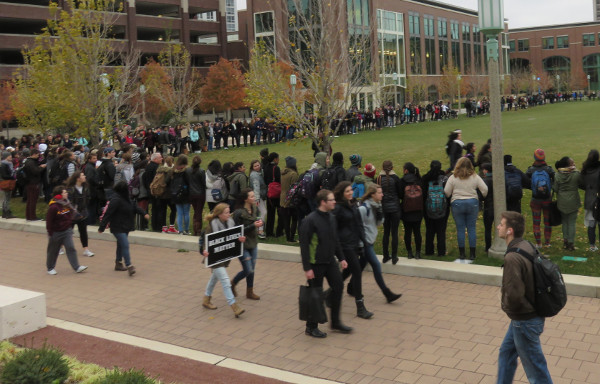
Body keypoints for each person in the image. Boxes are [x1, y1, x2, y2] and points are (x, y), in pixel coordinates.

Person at [496, 211, 553, 384]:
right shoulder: (526, 245)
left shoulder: (512, 257)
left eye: (501, 224)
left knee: (536, 371)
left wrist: (506, 306)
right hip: (528, 315)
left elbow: (514, 295)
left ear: (509, 231)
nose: (498, 226)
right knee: (506, 353)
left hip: (524, 320)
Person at [300, 189, 352, 338]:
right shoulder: (310, 220)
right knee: (315, 294)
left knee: (338, 286)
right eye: (331, 200)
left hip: (330, 262)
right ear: (323, 202)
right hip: (315, 264)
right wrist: (307, 268)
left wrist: (342, 258)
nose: (334, 201)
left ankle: (335, 322)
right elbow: (304, 246)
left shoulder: (331, 217)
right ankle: (311, 327)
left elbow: (335, 240)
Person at [333, 181, 373, 319]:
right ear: (341, 193)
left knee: (348, 271)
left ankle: (327, 294)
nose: (350, 193)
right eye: (347, 191)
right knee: (356, 271)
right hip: (345, 245)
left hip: (355, 243)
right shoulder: (338, 208)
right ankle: (360, 307)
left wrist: (365, 241)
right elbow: (334, 230)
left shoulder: (353, 204)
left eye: (351, 190)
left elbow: (359, 224)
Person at [358, 184, 402, 303]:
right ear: (372, 194)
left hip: (370, 241)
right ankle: (387, 293)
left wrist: (380, 213)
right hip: (365, 243)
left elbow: (378, 224)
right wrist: (360, 244)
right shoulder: (363, 208)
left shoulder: (377, 206)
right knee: (376, 265)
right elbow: (357, 227)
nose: (382, 194)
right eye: (379, 193)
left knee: (357, 267)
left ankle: (348, 288)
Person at [201, 203, 245, 318]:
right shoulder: (211, 226)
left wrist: (240, 239)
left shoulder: (230, 223)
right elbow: (204, 241)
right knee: (225, 281)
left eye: (229, 211)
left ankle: (206, 299)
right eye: (226, 212)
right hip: (214, 258)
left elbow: (234, 238)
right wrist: (204, 250)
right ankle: (234, 306)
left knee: (214, 279)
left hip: (224, 258)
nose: (229, 214)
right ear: (219, 214)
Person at [98, 181, 149, 276]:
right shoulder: (115, 200)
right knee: (125, 244)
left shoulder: (127, 199)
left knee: (121, 245)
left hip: (126, 226)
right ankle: (129, 265)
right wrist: (102, 226)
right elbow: (108, 214)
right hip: (117, 227)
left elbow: (135, 208)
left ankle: (118, 263)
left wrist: (144, 213)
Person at [444, 157, 488, 260]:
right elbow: (485, 189)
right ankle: (472, 254)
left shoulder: (453, 177)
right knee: (472, 228)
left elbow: (446, 192)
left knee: (460, 229)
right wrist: (481, 197)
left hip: (457, 203)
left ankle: (462, 254)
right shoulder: (475, 177)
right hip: (472, 203)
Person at [45, 186, 88, 275]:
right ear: (59, 195)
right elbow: (49, 221)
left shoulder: (67, 204)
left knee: (71, 248)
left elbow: (69, 215)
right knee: (53, 251)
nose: (67, 193)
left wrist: (69, 225)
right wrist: (50, 233)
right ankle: (50, 268)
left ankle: (76, 267)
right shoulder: (54, 207)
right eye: (64, 192)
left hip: (66, 231)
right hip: (56, 232)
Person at [231, 188, 264, 300]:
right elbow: (236, 231)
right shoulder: (239, 213)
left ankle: (250, 292)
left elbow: (258, 219)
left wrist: (260, 224)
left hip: (253, 243)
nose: (254, 198)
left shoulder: (255, 208)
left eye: (253, 196)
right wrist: (254, 226)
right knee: (248, 269)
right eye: (251, 196)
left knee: (252, 269)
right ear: (245, 199)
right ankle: (233, 283)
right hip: (243, 245)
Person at [525, 149, 555, 248]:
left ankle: (538, 243)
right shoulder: (549, 169)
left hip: (535, 200)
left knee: (536, 222)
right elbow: (555, 181)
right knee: (547, 221)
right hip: (547, 199)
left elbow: (525, 182)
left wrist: (534, 188)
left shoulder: (530, 170)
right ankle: (547, 242)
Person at [377, 160, 403, 264]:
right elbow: (401, 194)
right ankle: (394, 256)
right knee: (394, 232)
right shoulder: (396, 178)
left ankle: (385, 255)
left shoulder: (378, 179)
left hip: (384, 208)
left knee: (386, 232)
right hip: (395, 208)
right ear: (392, 167)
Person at [421, 160, 448, 257]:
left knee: (429, 230)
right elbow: (448, 194)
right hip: (443, 208)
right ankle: (441, 251)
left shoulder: (425, 178)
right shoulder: (445, 179)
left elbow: (423, 195)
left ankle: (429, 250)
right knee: (441, 231)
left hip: (428, 208)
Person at [554, 156, 581, 251]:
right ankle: (571, 243)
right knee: (572, 223)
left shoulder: (557, 175)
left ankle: (565, 241)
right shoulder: (576, 174)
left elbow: (555, 189)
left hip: (562, 201)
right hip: (573, 201)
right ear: (567, 165)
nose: (574, 164)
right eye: (572, 163)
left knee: (565, 222)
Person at [66, 171, 94, 257]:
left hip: (83, 213)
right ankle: (61, 246)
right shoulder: (70, 189)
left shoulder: (85, 188)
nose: (85, 176)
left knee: (83, 231)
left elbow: (88, 198)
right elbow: (68, 202)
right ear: (78, 178)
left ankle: (86, 249)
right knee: (68, 232)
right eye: (82, 175)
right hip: (72, 214)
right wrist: (74, 210)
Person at [399, 162, 423, 259]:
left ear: (406, 170)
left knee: (407, 232)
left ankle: (409, 252)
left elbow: (400, 195)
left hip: (406, 210)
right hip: (418, 210)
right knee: (417, 232)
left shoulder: (402, 181)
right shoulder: (419, 180)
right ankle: (418, 252)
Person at [579, 149, 600, 251]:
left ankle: (592, 245)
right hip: (597, 199)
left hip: (589, 199)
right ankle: (592, 245)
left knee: (591, 224)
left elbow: (581, 184)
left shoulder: (584, 170)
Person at [23, 149, 47, 221]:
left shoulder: (28, 161)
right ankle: (32, 216)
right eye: (37, 155)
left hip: (29, 182)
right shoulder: (31, 162)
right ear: (33, 154)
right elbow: (35, 171)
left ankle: (29, 216)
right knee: (33, 200)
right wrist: (41, 167)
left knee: (30, 200)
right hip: (33, 182)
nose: (38, 156)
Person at [280, 156, 299, 243]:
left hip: (282, 198)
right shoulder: (293, 174)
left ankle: (288, 237)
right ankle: (291, 238)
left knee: (286, 220)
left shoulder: (283, 173)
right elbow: (293, 189)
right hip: (290, 200)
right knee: (294, 219)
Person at [186, 155, 206, 236]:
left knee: (196, 211)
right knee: (198, 212)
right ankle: (197, 230)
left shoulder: (188, 171)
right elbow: (203, 183)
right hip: (200, 194)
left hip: (191, 193)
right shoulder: (201, 171)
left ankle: (196, 228)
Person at [170, 155, 191, 234]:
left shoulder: (173, 170)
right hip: (185, 193)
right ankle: (186, 229)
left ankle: (180, 230)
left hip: (176, 193)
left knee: (179, 213)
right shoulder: (187, 170)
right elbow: (189, 182)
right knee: (186, 213)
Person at [249, 159, 267, 239]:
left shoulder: (260, 172)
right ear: (252, 167)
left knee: (259, 213)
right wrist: (256, 199)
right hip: (258, 197)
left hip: (261, 196)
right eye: (255, 166)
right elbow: (256, 188)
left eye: (258, 165)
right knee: (263, 212)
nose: (257, 167)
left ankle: (258, 229)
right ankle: (260, 230)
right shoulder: (255, 175)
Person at [480, 163, 495, 252]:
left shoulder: (485, 180)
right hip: (497, 207)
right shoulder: (497, 178)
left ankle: (488, 247)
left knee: (488, 229)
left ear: (486, 170)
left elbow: (482, 195)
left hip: (488, 207)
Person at [1, 151, 16, 219]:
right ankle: (7, 212)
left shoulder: (8, 164)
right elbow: (4, 175)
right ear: (5, 157)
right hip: (7, 182)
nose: (11, 157)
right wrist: (12, 177)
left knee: (6, 198)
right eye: (9, 156)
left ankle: (5, 212)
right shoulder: (4, 165)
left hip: (6, 181)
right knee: (7, 198)